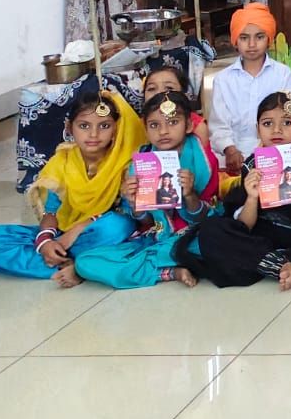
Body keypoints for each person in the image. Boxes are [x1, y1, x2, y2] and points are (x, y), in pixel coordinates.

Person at [178, 92, 291, 290]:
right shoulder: (252, 164)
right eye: (267, 124)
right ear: (257, 129)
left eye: (287, 123)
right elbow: (245, 225)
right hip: (264, 233)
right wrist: (251, 197)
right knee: (212, 231)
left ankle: (278, 261)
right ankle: (283, 264)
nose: (276, 130)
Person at [0, 91, 143, 283]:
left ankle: (58, 265)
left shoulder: (124, 164)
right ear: (69, 128)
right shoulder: (62, 162)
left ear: (116, 129)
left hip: (98, 233)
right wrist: (45, 241)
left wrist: (76, 231)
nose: (93, 134)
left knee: (118, 226)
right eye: (84, 126)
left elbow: (125, 213)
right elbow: (51, 212)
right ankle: (72, 263)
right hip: (63, 234)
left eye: (104, 126)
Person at [73, 91, 219, 290]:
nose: (163, 131)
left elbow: (208, 217)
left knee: (211, 245)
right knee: (85, 262)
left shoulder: (204, 161)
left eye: (173, 122)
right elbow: (147, 222)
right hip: (156, 237)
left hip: (193, 236)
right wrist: (135, 203)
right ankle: (169, 271)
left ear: (188, 125)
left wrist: (190, 195)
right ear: (145, 128)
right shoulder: (142, 162)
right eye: (154, 125)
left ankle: (151, 264)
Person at [210, 3, 291, 176]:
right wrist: (230, 150)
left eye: (259, 37)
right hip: (231, 162)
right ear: (235, 41)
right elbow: (218, 126)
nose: (251, 44)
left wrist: (264, 154)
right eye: (244, 37)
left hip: (273, 156)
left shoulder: (283, 74)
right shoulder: (223, 79)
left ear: (269, 39)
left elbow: (287, 119)